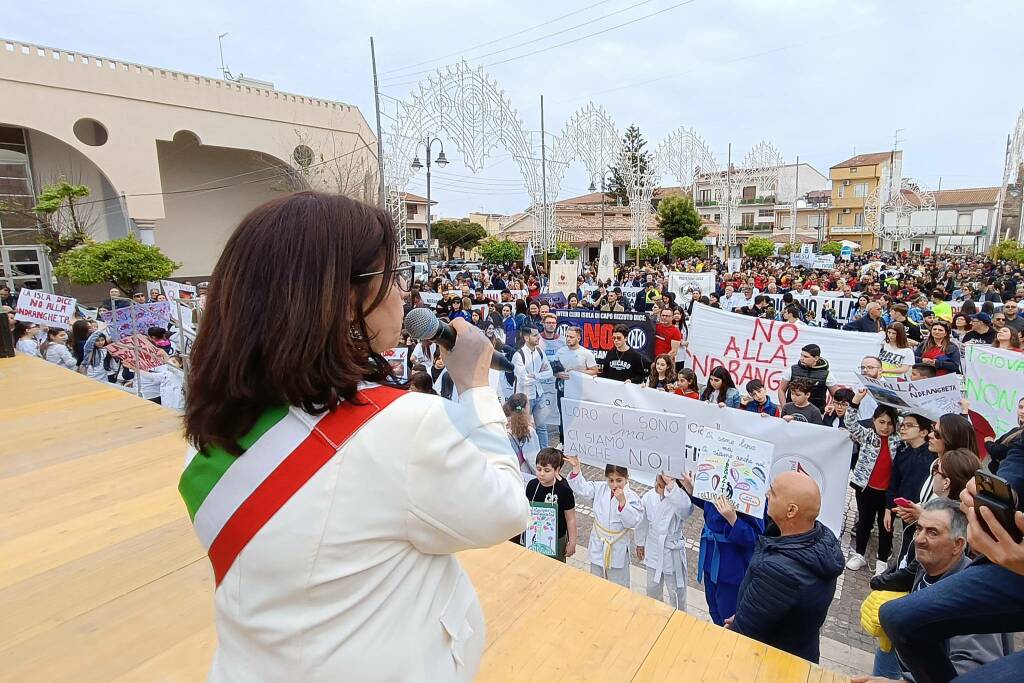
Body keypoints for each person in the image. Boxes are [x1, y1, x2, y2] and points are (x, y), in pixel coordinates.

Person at [179, 192, 529, 682]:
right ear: (346, 299)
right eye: (392, 276)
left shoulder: (214, 426)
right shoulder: (402, 429)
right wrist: (476, 389)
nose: (404, 292)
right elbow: (508, 509)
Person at [868, 497, 1018, 683]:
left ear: (958, 545)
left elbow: (975, 668)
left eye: (932, 533)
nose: (920, 539)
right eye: (919, 528)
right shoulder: (928, 567)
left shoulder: (970, 595)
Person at [728, 472, 844, 664]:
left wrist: (739, 624)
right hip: (800, 651)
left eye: (773, 493)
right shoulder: (822, 535)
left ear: (791, 511)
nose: (766, 494)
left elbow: (743, 635)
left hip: (770, 664)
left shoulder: (778, 571)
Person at [678, 473, 764, 626]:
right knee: (713, 606)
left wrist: (733, 520)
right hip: (710, 559)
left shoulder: (752, 490)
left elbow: (756, 540)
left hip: (732, 567)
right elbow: (709, 505)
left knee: (728, 615)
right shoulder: (719, 477)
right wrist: (692, 490)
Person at [563, 454, 643, 588]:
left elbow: (633, 521)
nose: (615, 484)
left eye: (619, 480)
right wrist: (576, 468)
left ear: (626, 478)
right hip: (599, 541)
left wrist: (623, 502)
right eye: (611, 480)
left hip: (617, 544)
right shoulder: (599, 488)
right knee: (596, 582)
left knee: (618, 585)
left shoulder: (632, 497)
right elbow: (583, 489)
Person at [845, 393, 902, 575]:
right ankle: (860, 554)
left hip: (888, 494)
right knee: (864, 523)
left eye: (889, 423)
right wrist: (855, 402)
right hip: (866, 490)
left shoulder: (899, 440)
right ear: (874, 421)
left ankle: (882, 560)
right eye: (881, 422)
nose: (885, 427)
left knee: (886, 527)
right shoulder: (868, 436)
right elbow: (851, 424)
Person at [636, 473, 694, 610]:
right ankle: (654, 613)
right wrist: (640, 543)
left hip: (672, 550)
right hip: (654, 546)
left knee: (676, 591)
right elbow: (642, 522)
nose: (657, 487)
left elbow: (686, 510)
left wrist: (672, 487)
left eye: (661, 486)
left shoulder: (678, 499)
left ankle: (679, 617)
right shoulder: (649, 497)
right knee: (652, 588)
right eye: (656, 482)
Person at [519, 448, 577, 563]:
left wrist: (572, 542)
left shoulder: (564, 491)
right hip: (533, 536)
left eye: (547, 470)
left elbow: (570, 519)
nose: (541, 474)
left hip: (556, 539)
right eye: (539, 469)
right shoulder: (531, 485)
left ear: (557, 470)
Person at [512, 324, 553, 448]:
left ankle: (544, 455)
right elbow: (523, 380)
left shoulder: (540, 352)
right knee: (523, 428)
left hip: (538, 394)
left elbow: (550, 372)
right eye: (535, 335)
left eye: (538, 334)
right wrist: (540, 375)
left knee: (542, 428)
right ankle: (523, 454)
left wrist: (535, 376)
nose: (538, 337)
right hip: (524, 398)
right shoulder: (518, 355)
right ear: (526, 338)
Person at [777, 344, 838, 414]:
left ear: (816, 358)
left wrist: (832, 406)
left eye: (805, 356)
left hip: (815, 415)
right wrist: (785, 408)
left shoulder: (827, 375)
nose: (801, 358)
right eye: (801, 355)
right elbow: (781, 389)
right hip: (792, 413)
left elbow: (837, 396)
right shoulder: (791, 370)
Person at [505, 393, 540, 482]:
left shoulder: (502, 425)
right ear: (526, 408)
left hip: (507, 474)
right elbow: (532, 459)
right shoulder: (528, 431)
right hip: (524, 477)